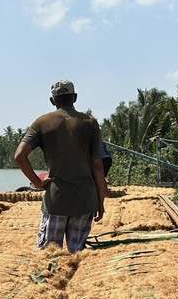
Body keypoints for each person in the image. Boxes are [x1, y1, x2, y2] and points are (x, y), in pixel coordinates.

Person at [14, 79, 108, 253]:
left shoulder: (42, 123)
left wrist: (38, 182)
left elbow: (19, 156)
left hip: (56, 201)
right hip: (85, 201)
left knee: (50, 257)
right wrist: (100, 202)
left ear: (52, 100)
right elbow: (98, 167)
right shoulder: (90, 123)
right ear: (75, 97)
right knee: (76, 257)